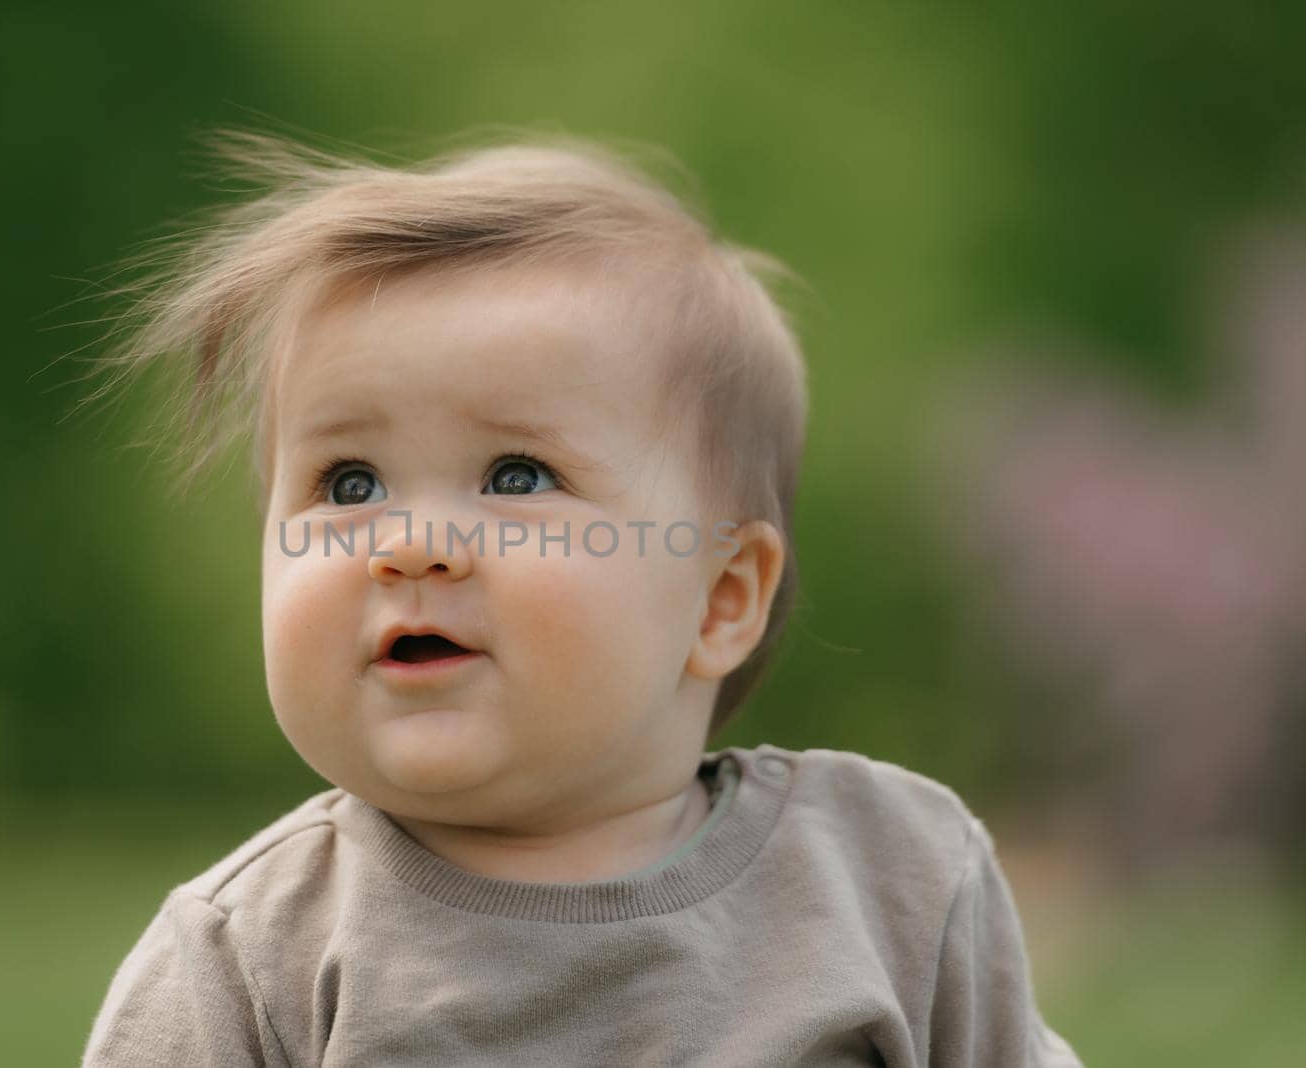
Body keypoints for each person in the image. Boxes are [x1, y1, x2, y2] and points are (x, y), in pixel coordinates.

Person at [80, 129, 1084, 1066]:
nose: (411, 546)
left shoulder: (891, 882)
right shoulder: (248, 958)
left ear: (720, 599)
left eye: (514, 476)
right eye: (349, 484)